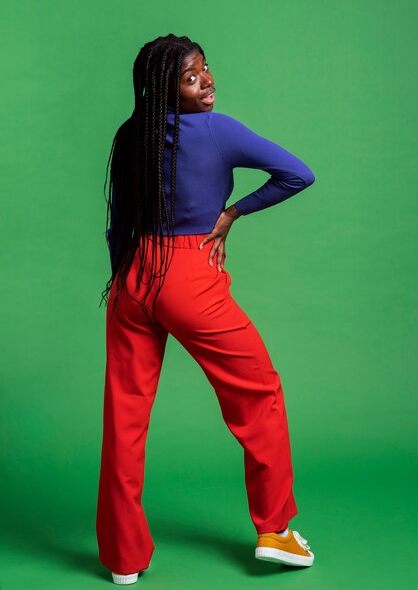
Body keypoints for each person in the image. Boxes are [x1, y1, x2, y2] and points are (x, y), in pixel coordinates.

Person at [96, 34, 316, 586]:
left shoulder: (132, 135)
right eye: (191, 79)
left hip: (131, 277)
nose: (207, 82)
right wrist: (233, 213)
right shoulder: (218, 131)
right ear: (164, 90)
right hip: (189, 273)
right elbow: (298, 173)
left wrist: (128, 274)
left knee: (124, 418)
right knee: (257, 393)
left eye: (206, 71)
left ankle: (123, 559)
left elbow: (117, 217)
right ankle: (274, 530)